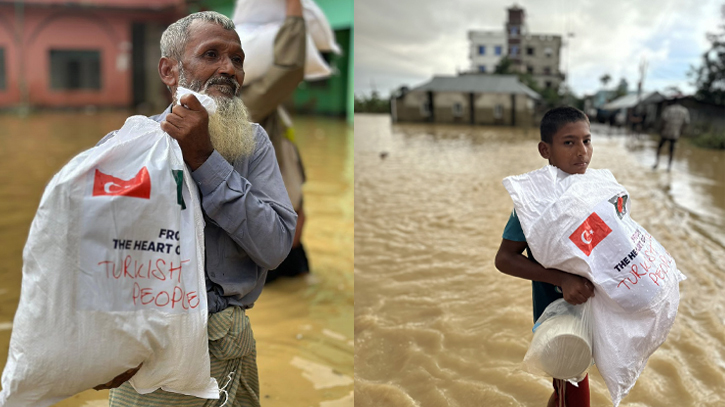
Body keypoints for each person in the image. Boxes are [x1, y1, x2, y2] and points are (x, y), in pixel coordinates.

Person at [94, 10, 298, 407]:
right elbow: (91, 251)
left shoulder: (253, 143)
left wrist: (206, 159)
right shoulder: (129, 145)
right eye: (211, 55)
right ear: (170, 71)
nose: (229, 70)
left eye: (236, 59)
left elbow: (275, 247)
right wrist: (106, 342)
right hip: (153, 343)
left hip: (230, 335)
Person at [494, 106, 596, 407]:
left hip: (590, 315)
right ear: (545, 150)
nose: (582, 152)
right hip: (560, 321)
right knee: (575, 396)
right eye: (569, 142)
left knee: (565, 394)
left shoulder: (594, 192)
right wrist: (561, 278)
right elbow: (504, 258)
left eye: (587, 141)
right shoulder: (534, 204)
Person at [237, 0, 310, 282]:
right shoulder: (246, 106)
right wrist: (294, 10)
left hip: (287, 226)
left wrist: (301, 207)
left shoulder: (270, 109)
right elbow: (289, 67)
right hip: (273, 237)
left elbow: (291, 159)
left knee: (297, 293)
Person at [653, 100, 690, 171]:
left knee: (659, 148)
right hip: (675, 133)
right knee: (671, 150)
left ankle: (656, 163)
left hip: (666, 132)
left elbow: (663, 119)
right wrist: (681, 130)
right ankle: (669, 167)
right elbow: (686, 122)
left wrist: (661, 129)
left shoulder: (669, 109)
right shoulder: (684, 110)